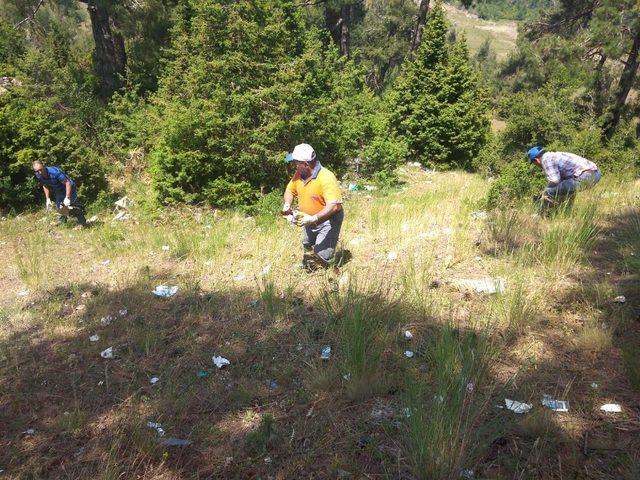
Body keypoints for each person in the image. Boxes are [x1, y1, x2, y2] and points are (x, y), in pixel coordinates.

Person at [282, 143, 344, 269]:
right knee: (307, 243)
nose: (294, 165)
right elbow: (290, 190)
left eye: (296, 162)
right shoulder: (299, 175)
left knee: (322, 257)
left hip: (328, 220)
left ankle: (330, 268)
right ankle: (309, 264)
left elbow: (334, 206)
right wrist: (287, 204)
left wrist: (313, 218)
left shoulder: (326, 177)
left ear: (305, 164)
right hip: (309, 218)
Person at [527, 146, 602, 212]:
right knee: (566, 190)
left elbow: (555, 180)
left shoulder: (546, 160)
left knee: (548, 191)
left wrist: (544, 192)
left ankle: (540, 213)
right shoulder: (554, 155)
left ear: (536, 160)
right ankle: (566, 211)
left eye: (534, 163)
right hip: (595, 173)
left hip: (587, 175)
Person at [33, 160, 86, 227]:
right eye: (37, 171)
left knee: (72, 206)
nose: (39, 172)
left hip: (69, 188)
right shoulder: (38, 175)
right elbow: (45, 185)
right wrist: (47, 198)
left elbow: (67, 183)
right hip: (58, 191)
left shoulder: (54, 172)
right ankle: (62, 222)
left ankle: (82, 223)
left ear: (44, 166)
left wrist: (67, 197)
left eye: (40, 170)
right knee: (60, 206)